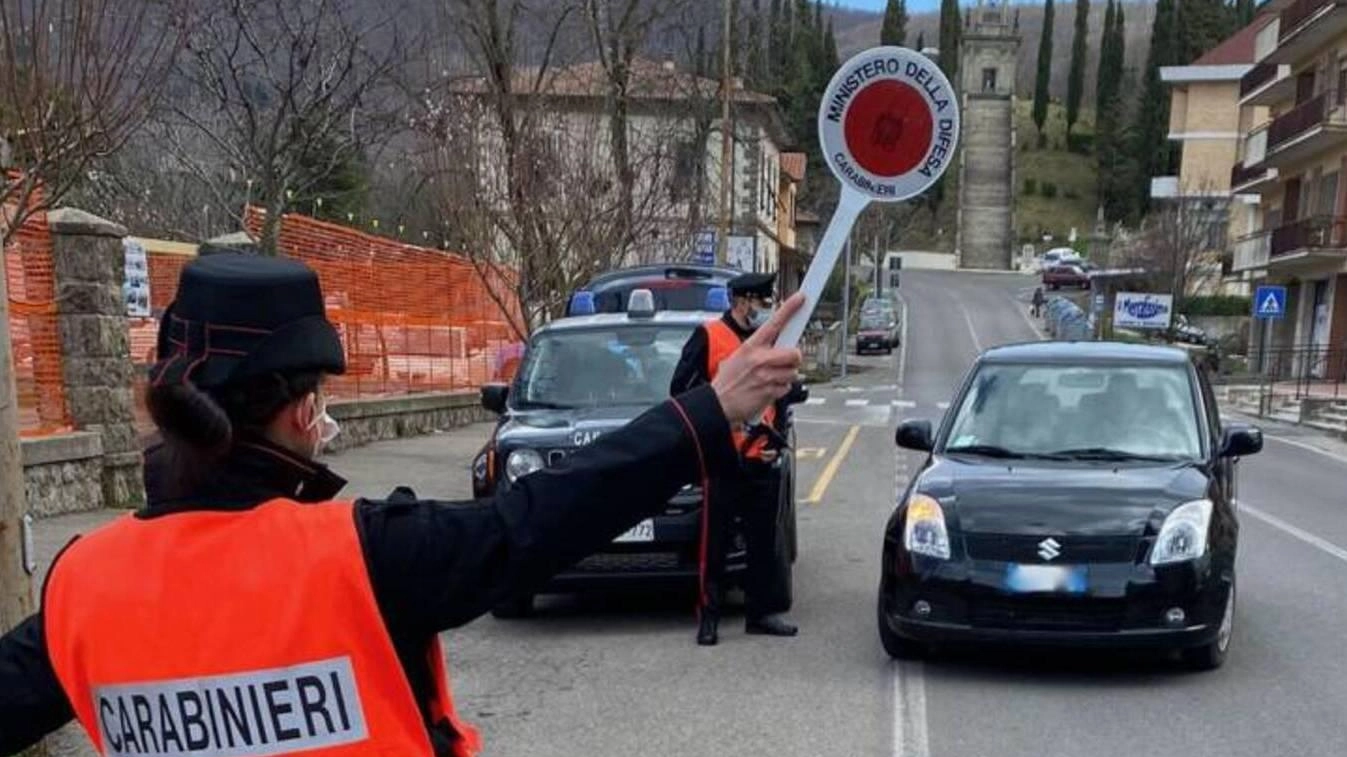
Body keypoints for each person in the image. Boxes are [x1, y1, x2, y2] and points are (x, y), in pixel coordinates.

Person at [0, 253, 804, 757]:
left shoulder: (80, 583)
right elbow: (540, 519)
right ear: (299, 413)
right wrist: (709, 409)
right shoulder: (360, 553)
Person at [670, 271, 800, 646]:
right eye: (760, 301)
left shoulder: (769, 341)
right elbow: (680, 388)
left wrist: (779, 434)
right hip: (723, 457)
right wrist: (716, 411)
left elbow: (782, 390)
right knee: (716, 541)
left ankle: (759, 614)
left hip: (762, 456)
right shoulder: (710, 336)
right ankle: (708, 617)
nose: (764, 308)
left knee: (763, 541)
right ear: (742, 300)